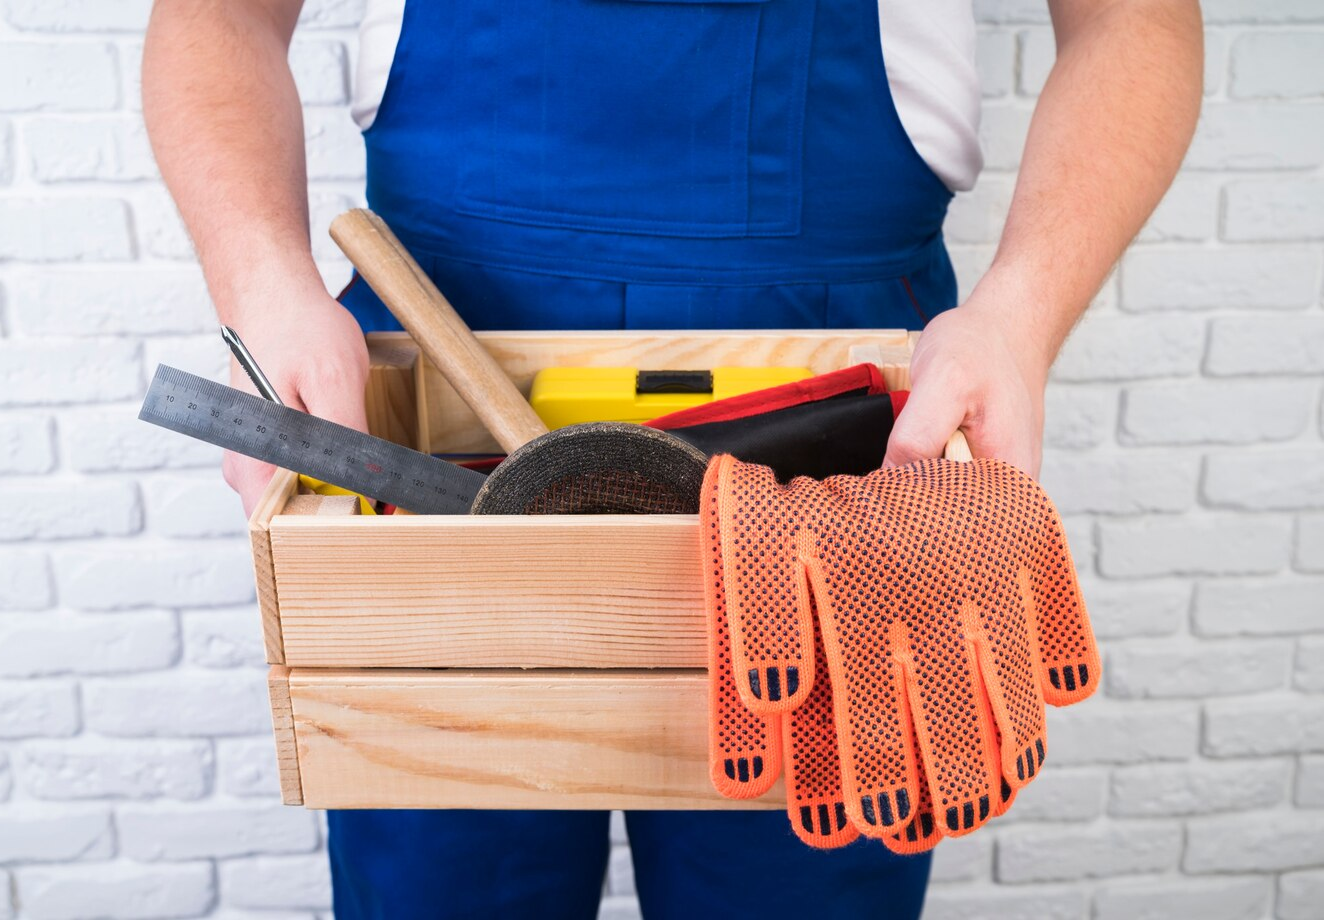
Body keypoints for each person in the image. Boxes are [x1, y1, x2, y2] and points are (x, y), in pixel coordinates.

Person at [143, 0, 1202, 917]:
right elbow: (219, 15)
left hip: (837, 463)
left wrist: (1016, 321)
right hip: (434, 410)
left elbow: (1132, 19)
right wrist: (262, 283)